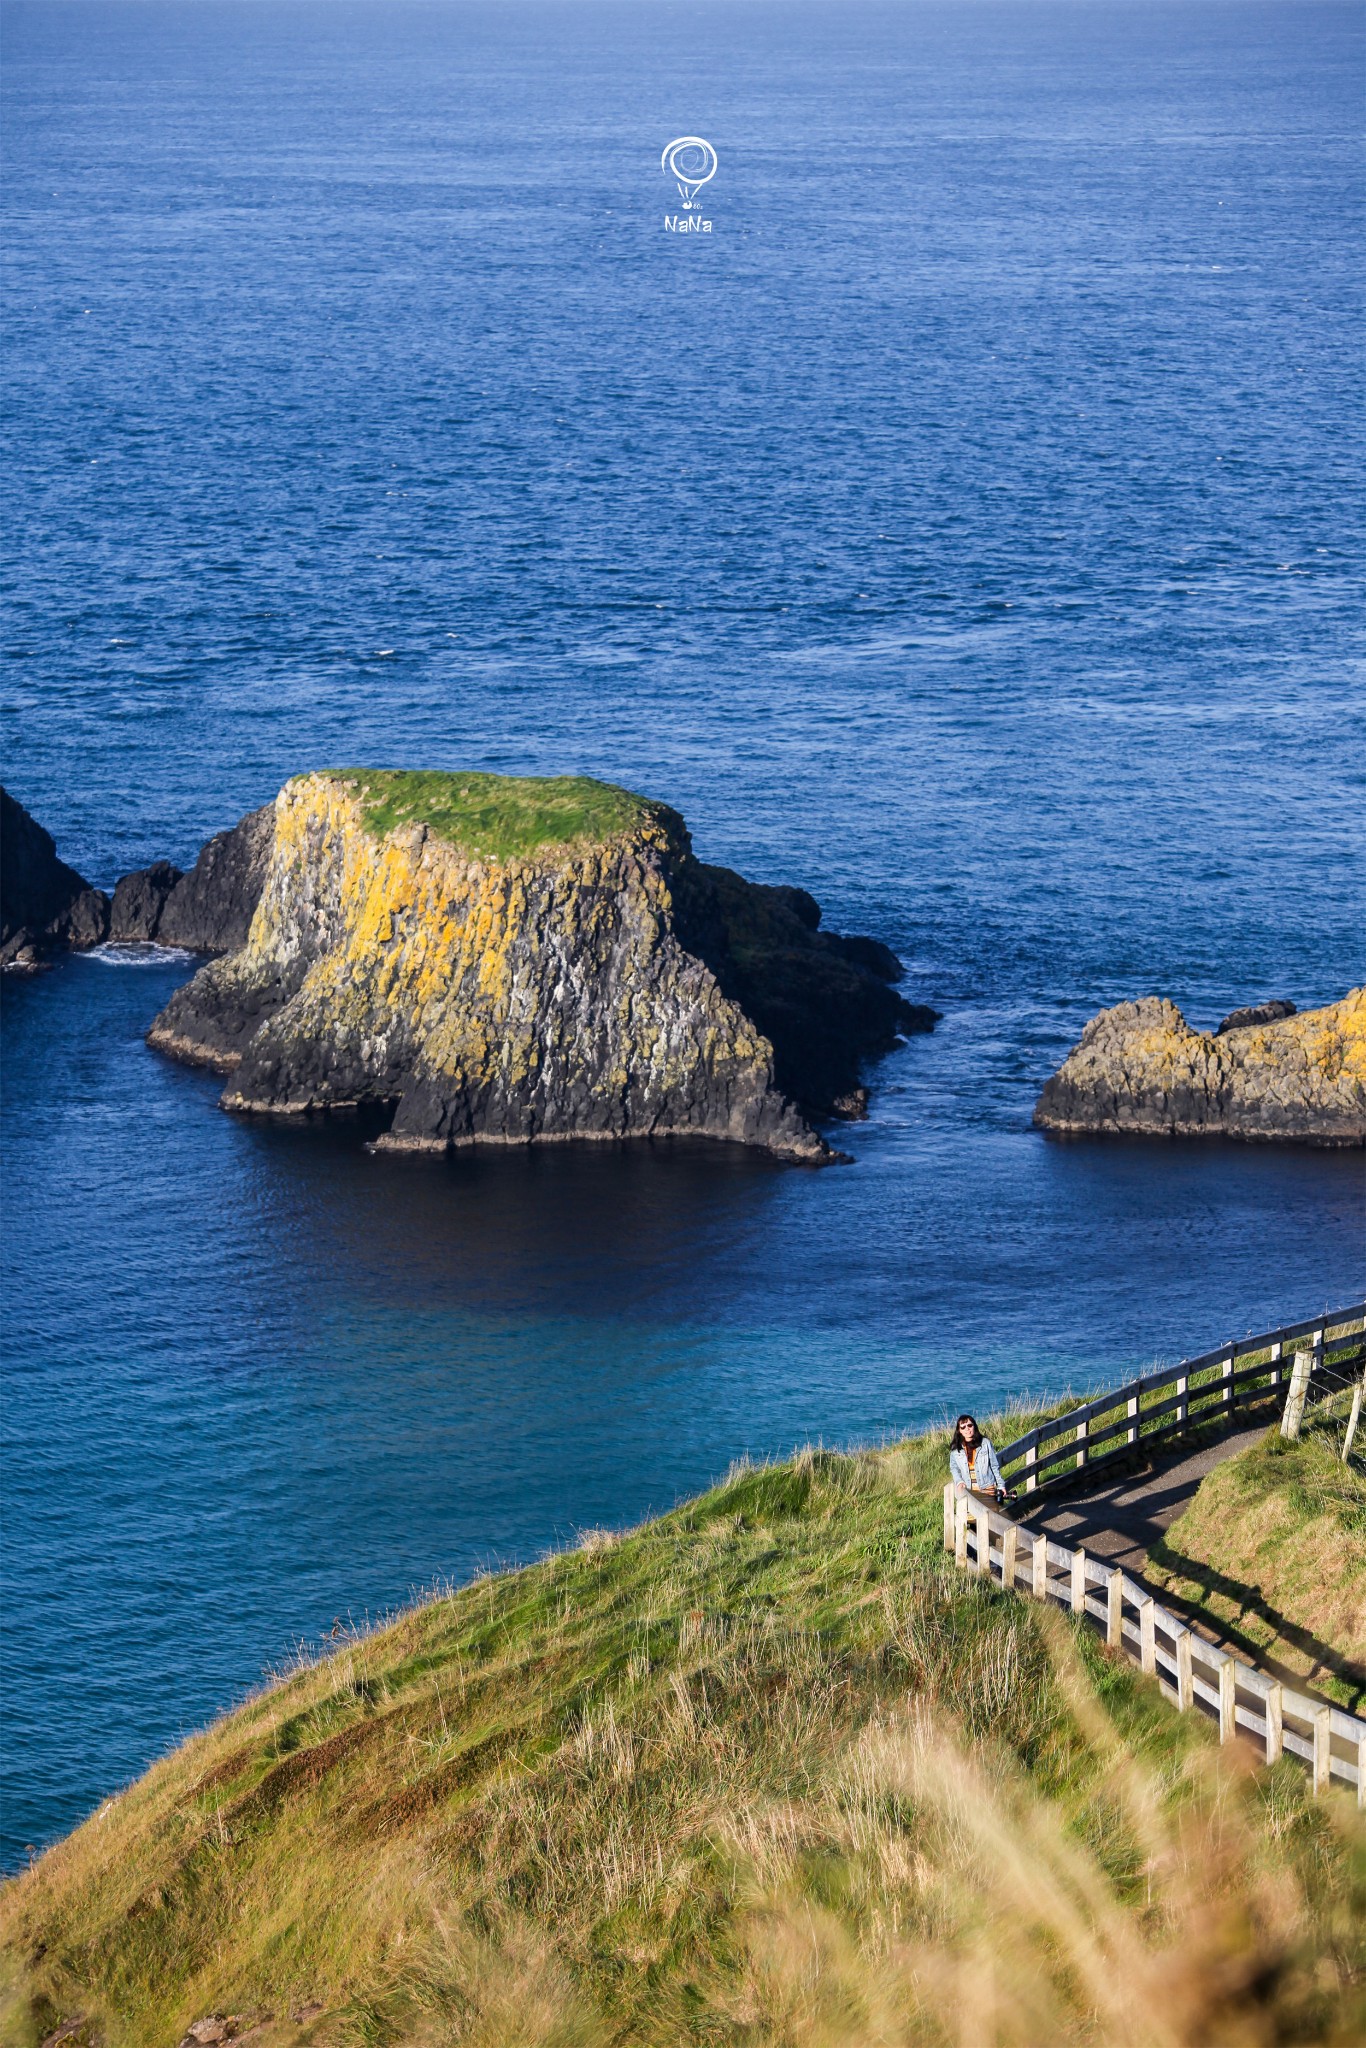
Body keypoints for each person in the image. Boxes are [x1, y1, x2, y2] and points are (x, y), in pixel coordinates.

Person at [949, 1413, 1007, 1504]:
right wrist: (959, 1481)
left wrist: (1001, 1485)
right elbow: (954, 1468)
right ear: (959, 1430)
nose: (967, 1429)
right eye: (963, 1427)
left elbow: (994, 1466)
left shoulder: (985, 1443)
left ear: (974, 1426)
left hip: (987, 1487)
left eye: (969, 1425)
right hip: (968, 1490)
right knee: (971, 1517)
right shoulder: (956, 1449)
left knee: (989, 1516)